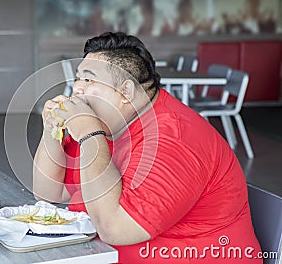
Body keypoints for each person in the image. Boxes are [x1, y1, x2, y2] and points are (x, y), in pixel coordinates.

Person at [33, 32, 261, 263]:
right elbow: (49, 192)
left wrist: (90, 134)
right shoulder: (109, 121)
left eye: (89, 80)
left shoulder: (176, 138)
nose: (77, 89)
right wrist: (52, 129)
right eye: (78, 78)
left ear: (126, 92)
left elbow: (115, 230)